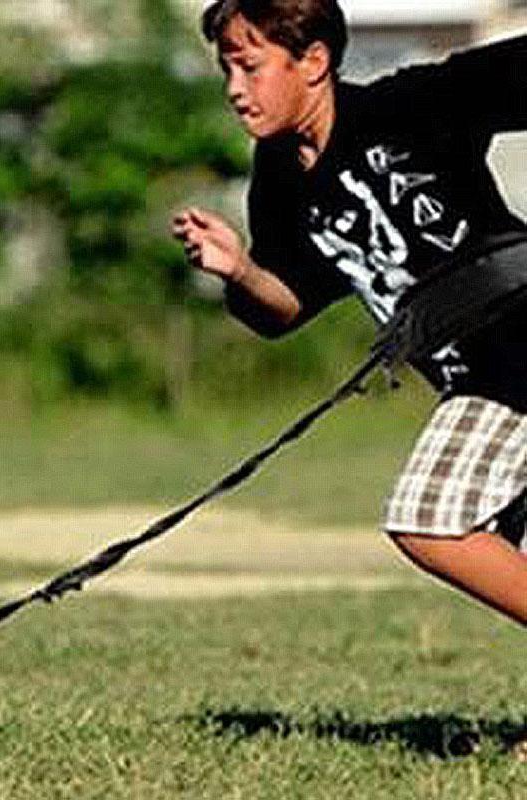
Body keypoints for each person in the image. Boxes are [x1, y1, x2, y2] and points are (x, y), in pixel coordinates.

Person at [173, 0, 527, 624]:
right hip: (476, 380)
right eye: (226, 70)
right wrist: (241, 271)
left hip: (516, 359)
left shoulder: (411, 107)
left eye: (250, 68)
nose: (234, 90)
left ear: (313, 61)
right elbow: (284, 306)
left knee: (431, 517)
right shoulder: (280, 173)